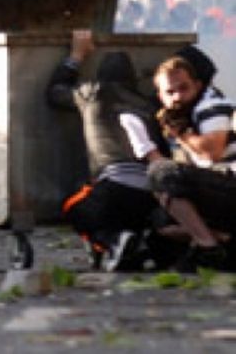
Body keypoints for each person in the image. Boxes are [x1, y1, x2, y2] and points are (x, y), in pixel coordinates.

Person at [46, 30, 169, 271]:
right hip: (149, 195)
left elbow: (55, 92)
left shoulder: (92, 93)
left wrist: (76, 57)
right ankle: (134, 242)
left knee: (73, 206)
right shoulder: (148, 103)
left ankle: (112, 242)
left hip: (111, 190)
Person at [148, 55, 236, 270]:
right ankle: (223, 240)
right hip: (219, 193)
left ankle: (209, 247)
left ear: (197, 86)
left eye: (184, 88)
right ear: (160, 96)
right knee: (160, 220)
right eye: (170, 92)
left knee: (161, 173)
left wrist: (181, 135)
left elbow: (211, 153)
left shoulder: (211, 105)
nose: (178, 97)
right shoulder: (182, 115)